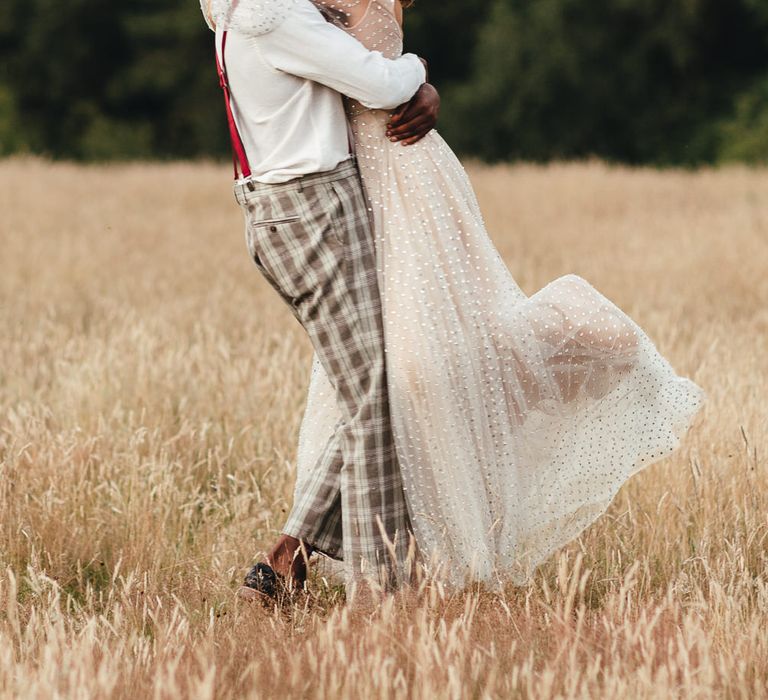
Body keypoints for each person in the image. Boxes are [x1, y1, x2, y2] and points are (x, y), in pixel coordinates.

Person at [295, 0, 705, 588]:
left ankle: (443, 544)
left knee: (420, 361)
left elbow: (372, 75)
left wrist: (417, 76)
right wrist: (419, 74)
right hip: (360, 179)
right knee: (386, 363)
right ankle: (355, 544)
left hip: (403, 178)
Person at [199, 0, 441, 598]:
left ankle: (286, 560)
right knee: (374, 398)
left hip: (287, 210)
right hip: (314, 209)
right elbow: (381, 83)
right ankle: (380, 596)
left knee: (373, 387)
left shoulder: (247, 11)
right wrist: (418, 69)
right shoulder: (274, 14)